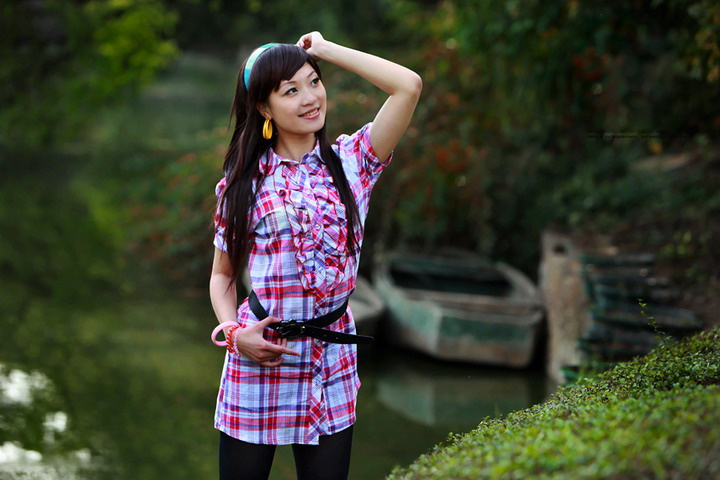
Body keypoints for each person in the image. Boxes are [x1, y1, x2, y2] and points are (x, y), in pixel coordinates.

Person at [209, 31, 422, 480]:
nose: (310, 99)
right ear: (264, 108)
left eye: (314, 82)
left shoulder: (353, 160)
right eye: (290, 91)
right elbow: (223, 277)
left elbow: (408, 86)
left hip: (332, 360)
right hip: (261, 354)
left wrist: (324, 50)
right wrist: (233, 334)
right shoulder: (244, 183)